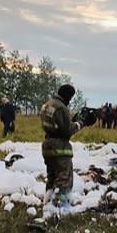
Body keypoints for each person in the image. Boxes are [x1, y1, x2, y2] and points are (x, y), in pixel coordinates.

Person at [40, 84, 93, 214]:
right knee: (64, 178)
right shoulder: (61, 108)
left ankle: (47, 203)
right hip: (60, 148)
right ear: (68, 96)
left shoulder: (47, 104)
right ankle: (58, 207)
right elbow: (66, 131)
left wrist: (71, 120)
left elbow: (57, 124)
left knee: (52, 177)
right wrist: (81, 123)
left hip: (47, 145)